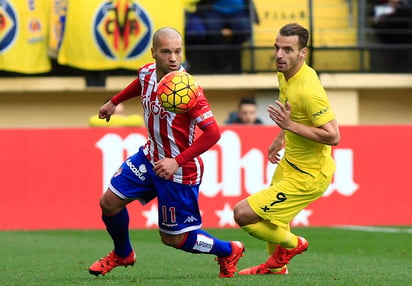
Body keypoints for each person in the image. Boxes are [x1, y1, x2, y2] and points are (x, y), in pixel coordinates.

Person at [88, 27, 244, 278]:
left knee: (174, 239)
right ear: (153, 53)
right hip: (150, 157)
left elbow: (213, 134)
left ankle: (228, 250)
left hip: (179, 170)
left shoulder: (189, 90)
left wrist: (177, 161)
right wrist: (115, 101)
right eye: (166, 51)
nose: (173, 58)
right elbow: (139, 83)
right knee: (109, 203)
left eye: (178, 51)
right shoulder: (147, 73)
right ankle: (122, 253)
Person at [233, 23, 340, 275]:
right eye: (277, 48)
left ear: (303, 53)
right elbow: (290, 114)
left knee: (243, 214)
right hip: (290, 163)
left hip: (309, 176)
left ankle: (295, 244)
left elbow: (333, 135)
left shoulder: (308, 90)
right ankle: (276, 268)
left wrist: (289, 125)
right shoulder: (285, 74)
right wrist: (280, 138)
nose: (280, 55)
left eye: (288, 50)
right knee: (274, 219)